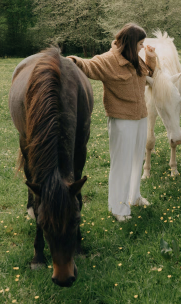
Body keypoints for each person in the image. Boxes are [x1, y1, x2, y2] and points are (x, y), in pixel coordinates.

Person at [67, 23, 157, 222]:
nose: (143, 46)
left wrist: (150, 56)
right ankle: (119, 208)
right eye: (140, 43)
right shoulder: (109, 60)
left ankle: (134, 196)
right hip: (121, 120)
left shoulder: (135, 58)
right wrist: (70, 60)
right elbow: (88, 66)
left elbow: (149, 74)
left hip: (141, 116)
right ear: (131, 43)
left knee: (137, 159)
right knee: (122, 164)